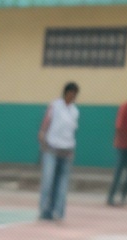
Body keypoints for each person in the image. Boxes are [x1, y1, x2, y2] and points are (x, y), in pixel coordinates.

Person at [38, 83, 80, 221]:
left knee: (62, 184)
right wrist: (43, 140)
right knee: (48, 181)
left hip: (66, 150)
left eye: (75, 94)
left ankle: (59, 211)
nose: (72, 96)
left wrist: (72, 151)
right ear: (65, 93)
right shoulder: (55, 106)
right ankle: (45, 211)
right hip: (51, 148)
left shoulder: (75, 111)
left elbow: (73, 132)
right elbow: (46, 123)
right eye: (71, 93)